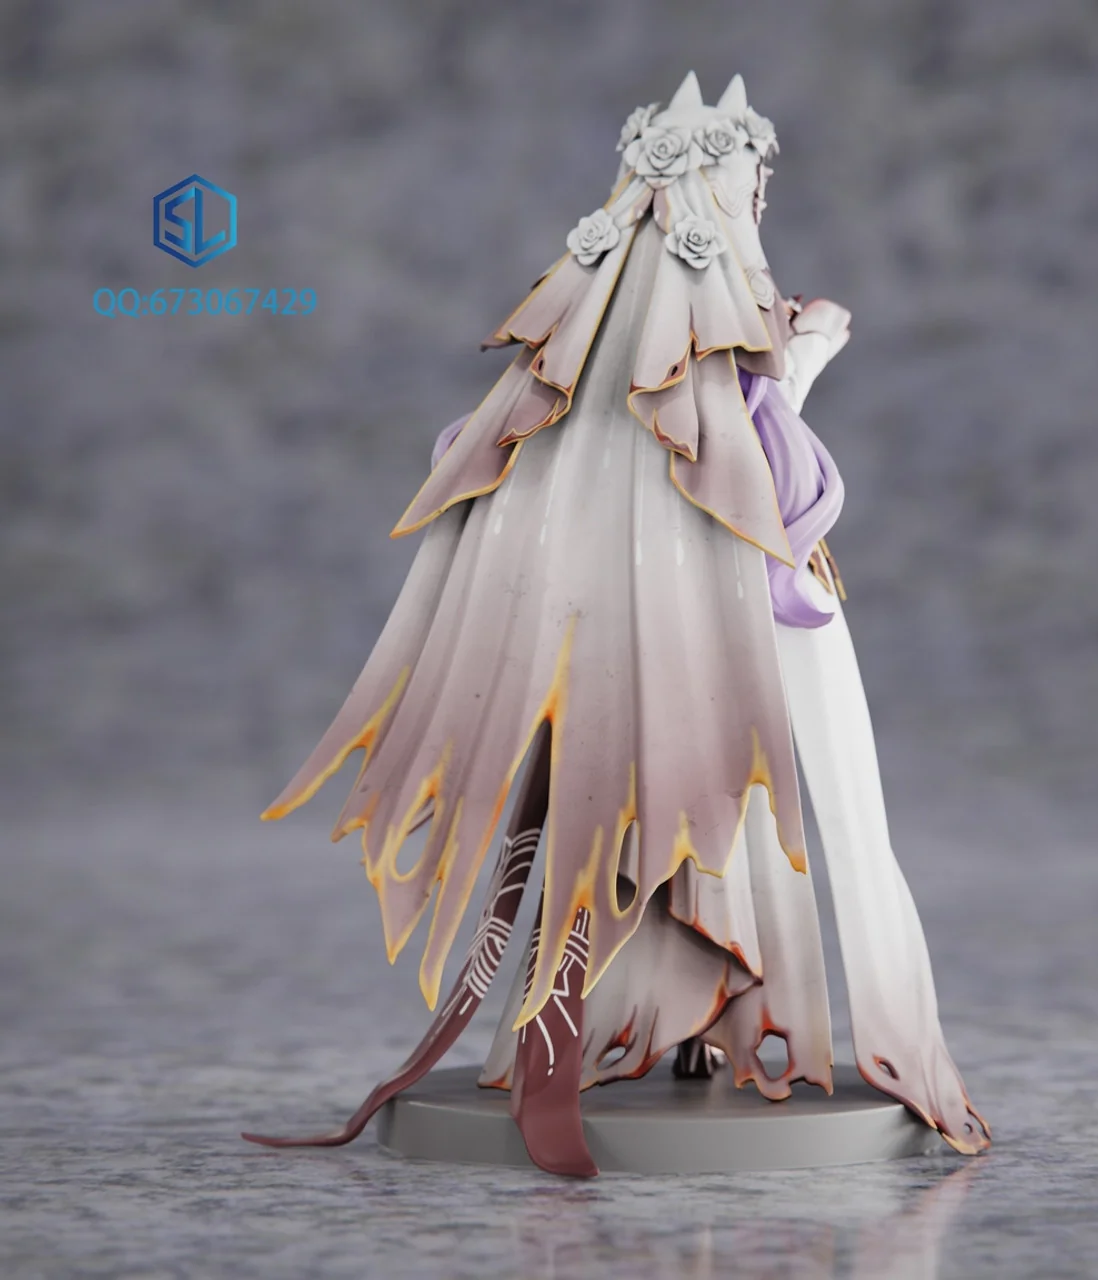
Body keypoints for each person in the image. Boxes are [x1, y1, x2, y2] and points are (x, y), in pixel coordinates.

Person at [243, 71, 990, 1177]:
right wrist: (806, 359)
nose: (758, 212)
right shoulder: (644, 363)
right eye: (751, 193)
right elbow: (775, 491)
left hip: (704, 626)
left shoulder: (589, 365)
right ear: (712, 201)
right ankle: (867, 1039)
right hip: (754, 625)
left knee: (740, 834)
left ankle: (728, 1027)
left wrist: (786, 361)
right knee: (802, 827)